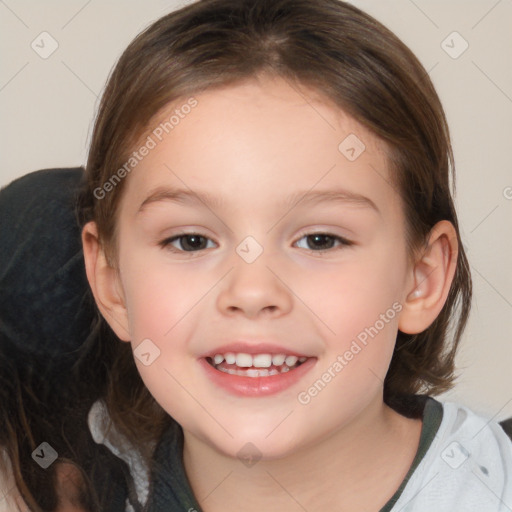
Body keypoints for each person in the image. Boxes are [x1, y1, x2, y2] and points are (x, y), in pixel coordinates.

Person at [1, 0, 511, 510]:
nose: (252, 292)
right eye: (191, 241)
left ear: (420, 278)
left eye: (320, 240)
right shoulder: (58, 483)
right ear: (111, 283)